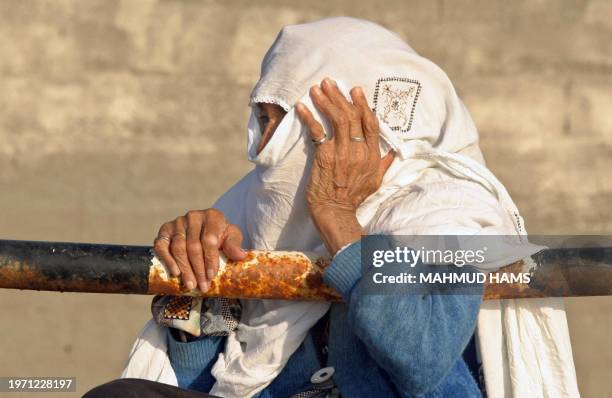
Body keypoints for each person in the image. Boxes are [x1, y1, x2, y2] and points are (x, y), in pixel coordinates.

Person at [87, 17, 579, 398]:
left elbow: (420, 355)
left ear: (336, 126)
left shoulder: (445, 214)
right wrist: (196, 278)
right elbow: (198, 379)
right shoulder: (246, 209)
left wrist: (340, 222)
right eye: (260, 121)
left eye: (277, 124)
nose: (261, 148)